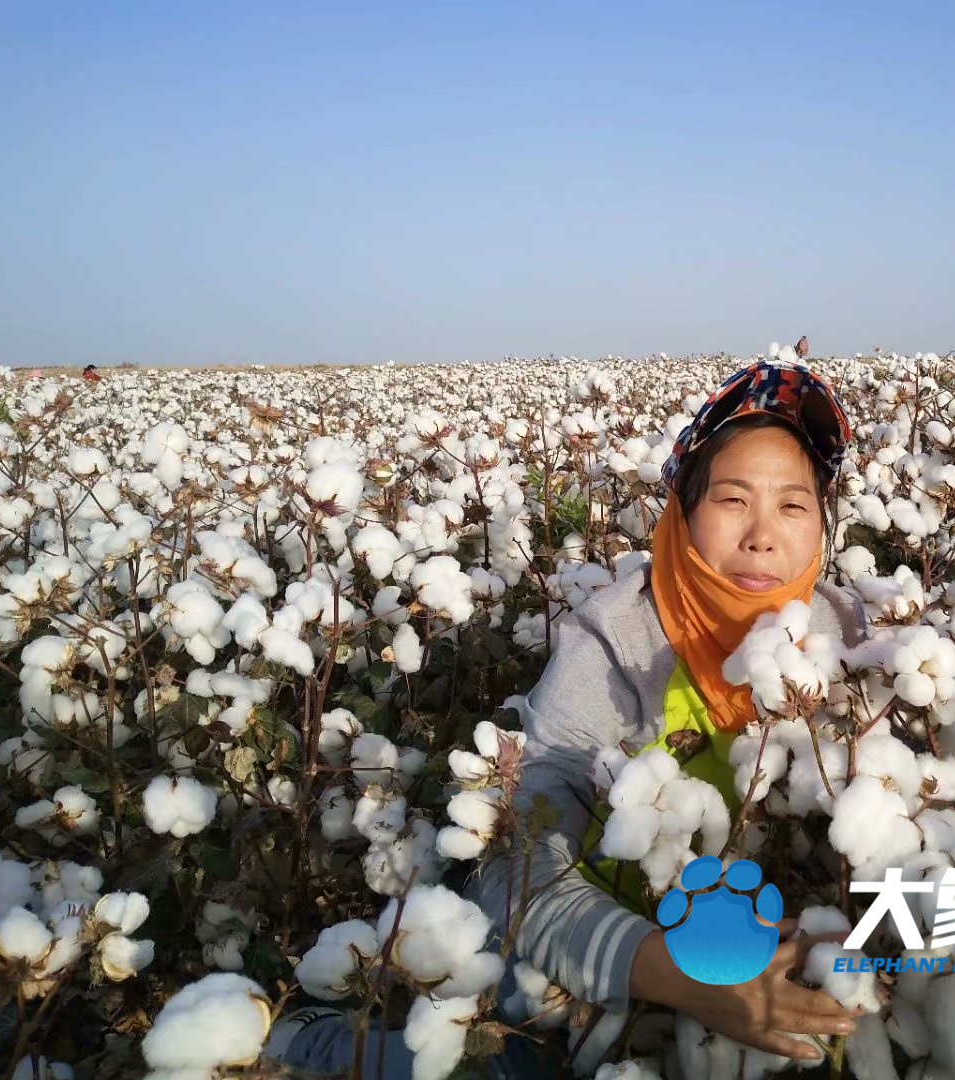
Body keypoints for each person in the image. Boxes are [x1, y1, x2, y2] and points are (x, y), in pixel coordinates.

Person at [274, 357, 869, 1077]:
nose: (763, 535)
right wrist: (674, 973)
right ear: (680, 509)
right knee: (505, 1059)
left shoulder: (845, 630)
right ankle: (318, 1043)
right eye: (733, 499)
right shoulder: (616, 635)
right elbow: (514, 861)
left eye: (793, 505)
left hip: (751, 939)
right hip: (598, 945)